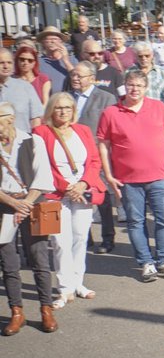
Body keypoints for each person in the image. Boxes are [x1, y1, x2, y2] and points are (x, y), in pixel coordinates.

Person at [97, 70, 164, 282]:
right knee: (136, 222)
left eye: (139, 86)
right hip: (128, 180)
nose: (134, 89)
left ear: (146, 88)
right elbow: (104, 145)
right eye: (131, 85)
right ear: (125, 85)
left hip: (160, 176)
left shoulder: (159, 107)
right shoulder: (111, 112)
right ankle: (146, 263)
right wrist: (108, 175)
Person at [33, 93, 103, 309]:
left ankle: (77, 282)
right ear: (51, 110)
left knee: (80, 238)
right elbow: (41, 166)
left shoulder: (82, 130)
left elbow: (93, 161)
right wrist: (67, 188)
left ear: (73, 110)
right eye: (58, 108)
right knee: (60, 242)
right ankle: (64, 288)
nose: (63, 111)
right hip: (55, 195)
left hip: (82, 191)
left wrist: (82, 184)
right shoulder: (41, 132)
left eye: (67, 108)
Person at [0, 102, 57, 335]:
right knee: (8, 262)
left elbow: (43, 176)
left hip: (32, 204)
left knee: (39, 258)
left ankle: (46, 309)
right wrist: (13, 203)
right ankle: (16, 311)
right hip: (5, 205)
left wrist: (25, 204)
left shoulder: (33, 141)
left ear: (10, 120)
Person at [69, 60, 117, 253]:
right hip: (73, 155)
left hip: (98, 155)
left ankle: (108, 238)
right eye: (73, 75)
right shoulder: (66, 98)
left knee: (102, 197)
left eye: (79, 76)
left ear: (91, 78)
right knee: (78, 196)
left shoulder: (105, 98)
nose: (75, 78)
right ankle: (84, 237)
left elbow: (112, 130)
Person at [0, 48, 45, 132]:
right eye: (1, 63)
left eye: (9, 63)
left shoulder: (25, 87)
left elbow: (36, 118)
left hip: (22, 141)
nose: (6, 66)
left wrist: (33, 139)